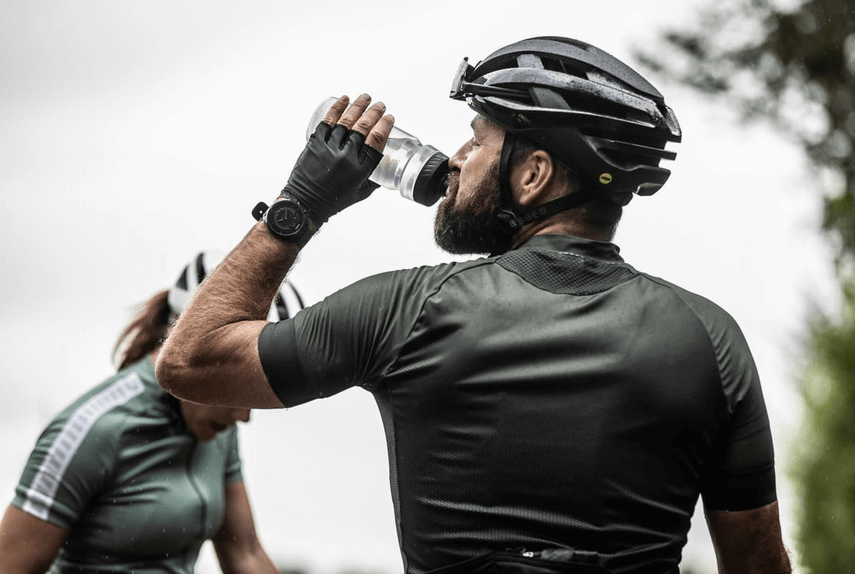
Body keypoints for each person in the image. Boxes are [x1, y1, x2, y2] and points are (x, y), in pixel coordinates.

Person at [156, 37, 793, 574]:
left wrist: (303, 202)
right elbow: (758, 560)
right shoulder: (711, 339)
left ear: (534, 172)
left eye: (477, 141)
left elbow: (190, 361)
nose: (454, 160)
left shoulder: (408, 309)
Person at [0, 249, 302, 574]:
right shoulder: (91, 430)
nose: (244, 416)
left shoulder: (217, 425)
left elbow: (245, 553)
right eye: (239, 384)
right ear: (193, 349)